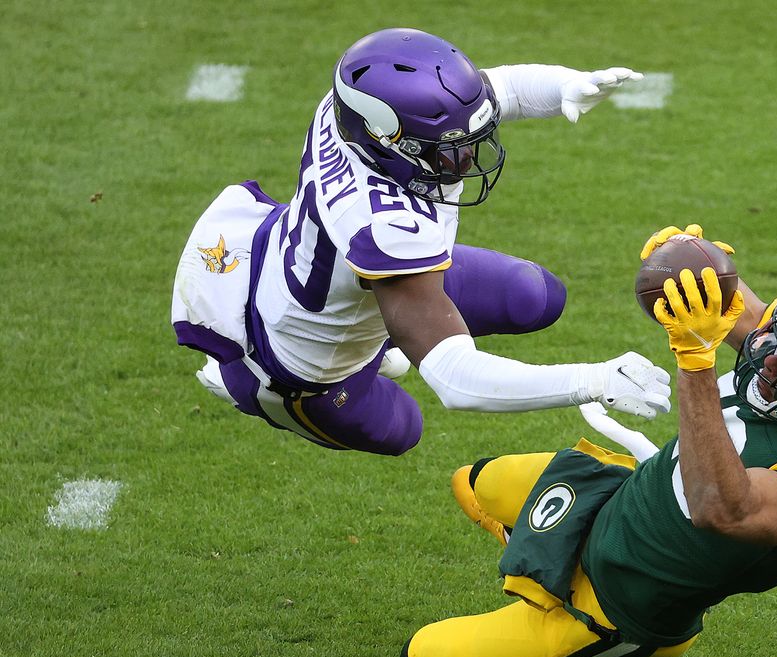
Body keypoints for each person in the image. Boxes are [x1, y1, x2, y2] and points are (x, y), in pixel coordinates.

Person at [394, 226, 777, 657]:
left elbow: (722, 507)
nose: (767, 360)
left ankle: (560, 607)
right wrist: (692, 266)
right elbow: (746, 316)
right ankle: (547, 562)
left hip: (621, 604)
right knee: (477, 483)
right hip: (621, 499)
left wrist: (696, 363)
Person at [171, 28, 670, 456]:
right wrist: (594, 381)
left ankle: (389, 329)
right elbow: (455, 379)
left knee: (534, 297)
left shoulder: (351, 112)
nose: (471, 157)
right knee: (403, 428)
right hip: (305, 367)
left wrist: (564, 84)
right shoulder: (383, 226)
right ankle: (238, 379)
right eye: (450, 150)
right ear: (389, 141)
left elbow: (498, 93)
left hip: (322, 271)